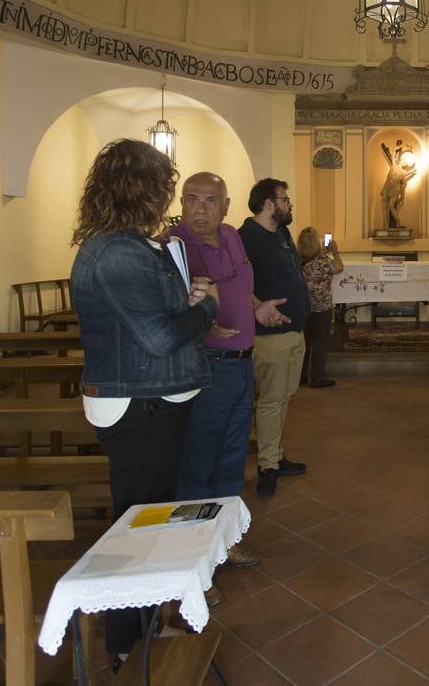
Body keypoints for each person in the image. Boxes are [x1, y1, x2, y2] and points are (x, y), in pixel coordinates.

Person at [69, 139, 220, 662]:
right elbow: (158, 338)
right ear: (143, 190)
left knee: (149, 518)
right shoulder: (118, 252)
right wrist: (207, 310)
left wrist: (188, 298)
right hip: (139, 402)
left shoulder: (124, 246)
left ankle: (144, 627)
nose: (169, 199)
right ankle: (127, 647)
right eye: (165, 188)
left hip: (146, 397)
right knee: (137, 525)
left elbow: (149, 319)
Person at [166, 172, 288, 562]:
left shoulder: (233, 236)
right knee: (198, 462)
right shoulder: (172, 248)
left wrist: (257, 308)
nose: (201, 208)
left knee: (233, 459)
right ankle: (190, 558)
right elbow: (163, 307)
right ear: (181, 203)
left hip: (241, 365)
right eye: (192, 199)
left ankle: (222, 541)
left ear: (226, 206)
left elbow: (240, 284)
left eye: (210, 200)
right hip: (205, 367)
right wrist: (198, 316)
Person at [238, 178, 310, 497]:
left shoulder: (281, 232)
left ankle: (277, 455)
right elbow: (238, 284)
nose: (289, 204)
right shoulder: (246, 238)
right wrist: (257, 306)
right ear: (269, 204)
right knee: (270, 400)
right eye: (285, 199)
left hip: (294, 331)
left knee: (283, 398)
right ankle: (267, 466)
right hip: (271, 335)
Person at [296, 226, 343, 389]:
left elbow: (310, 262)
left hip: (303, 307)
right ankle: (317, 378)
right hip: (322, 307)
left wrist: (321, 252)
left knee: (304, 342)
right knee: (320, 342)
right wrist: (335, 252)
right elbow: (339, 268)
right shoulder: (323, 262)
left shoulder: (296, 260)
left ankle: (300, 376)